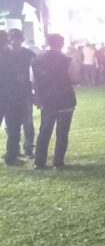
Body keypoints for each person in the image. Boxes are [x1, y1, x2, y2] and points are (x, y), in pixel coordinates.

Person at [31, 34, 79, 170]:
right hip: (65, 99)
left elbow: (33, 81)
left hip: (47, 100)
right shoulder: (68, 60)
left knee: (44, 131)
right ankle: (58, 162)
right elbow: (75, 77)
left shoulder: (36, 60)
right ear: (61, 44)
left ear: (47, 43)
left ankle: (39, 162)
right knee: (62, 132)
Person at [8, 29, 36, 158]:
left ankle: (28, 148)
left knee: (27, 122)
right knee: (12, 124)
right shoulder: (5, 54)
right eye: (12, 39)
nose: (14, 42)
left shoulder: (29, 54)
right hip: (10, 94)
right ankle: (14, 149)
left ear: (21, 40)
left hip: (25, 93)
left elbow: (35, 73)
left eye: (17, 39)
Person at [1, 30, 25, 166]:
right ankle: (11, 156)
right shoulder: (10, 55)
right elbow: (19, 76)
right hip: (11, 95)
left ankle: (11, 155)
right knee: (13, 127)